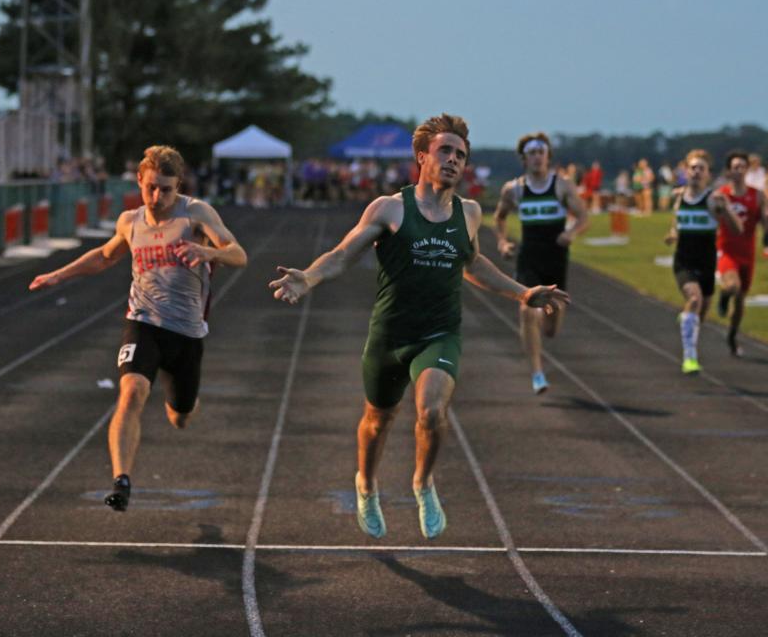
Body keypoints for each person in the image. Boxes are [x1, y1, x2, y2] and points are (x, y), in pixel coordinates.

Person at [268, 114, 569, 539]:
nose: (453, 160)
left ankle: (423, 483)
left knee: (430, 410)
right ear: (422, 156)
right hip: (389, 336)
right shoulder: (390, 208)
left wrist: (522, 294)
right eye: (445, 151)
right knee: (377, 420)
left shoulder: (468, 213)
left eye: (460, 155)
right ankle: (367, 486)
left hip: (439, 332)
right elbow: (341, 254)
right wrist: (308, 277)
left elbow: (473, 263)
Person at [29, 145, 247, 511]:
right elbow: (105, 255)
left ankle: (184, 401)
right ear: (139, 182)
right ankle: (122, 480)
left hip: (187, 333)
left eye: (166, 188)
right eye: (151, 188)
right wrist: (58, 274)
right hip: (143, 322)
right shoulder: (130, 221)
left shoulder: (195, 213)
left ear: (178, 185)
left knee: (180, 417)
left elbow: (239, 254)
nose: (157, 196)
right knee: (130, 392)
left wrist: (210, 253)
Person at [494, 132, 589, 393]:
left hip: (556, 259)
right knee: (527, 310)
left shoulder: (562, 186)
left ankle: (546, 333)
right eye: (532, 153)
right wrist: (502, 242)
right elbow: (500, 217)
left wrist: (571, 233)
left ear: (548, 157)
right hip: (529, 258)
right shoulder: (514, 189)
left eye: (541, 152)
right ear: (524, 158)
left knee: (550, 328)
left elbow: (583, 216)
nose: (537, 157)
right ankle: (537, 373)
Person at [665, 149, 742, 374]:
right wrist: (672, 234)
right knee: (695, 298)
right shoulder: (679, 196)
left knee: (700, 314)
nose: (696, 172)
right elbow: (676, 222)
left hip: (707, 262)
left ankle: (689, 319)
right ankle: (690, 358)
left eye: (701, 168)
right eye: (692, 168)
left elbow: (737, 229)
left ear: (708, 174)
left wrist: (726, 209)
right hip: (683, 262)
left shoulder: (713, 200)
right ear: (685, 171)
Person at [715, 150, 767, 357]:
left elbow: (766, 225)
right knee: (732, 286)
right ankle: (723, 296)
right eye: (734, 167)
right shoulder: (721, 195)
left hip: (748, 253)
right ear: (729, 170)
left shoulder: (757, 195)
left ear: (747, 169)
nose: (738, 170)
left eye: (742, 167)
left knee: (740, 303)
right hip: (727, 250)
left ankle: (732, 336)